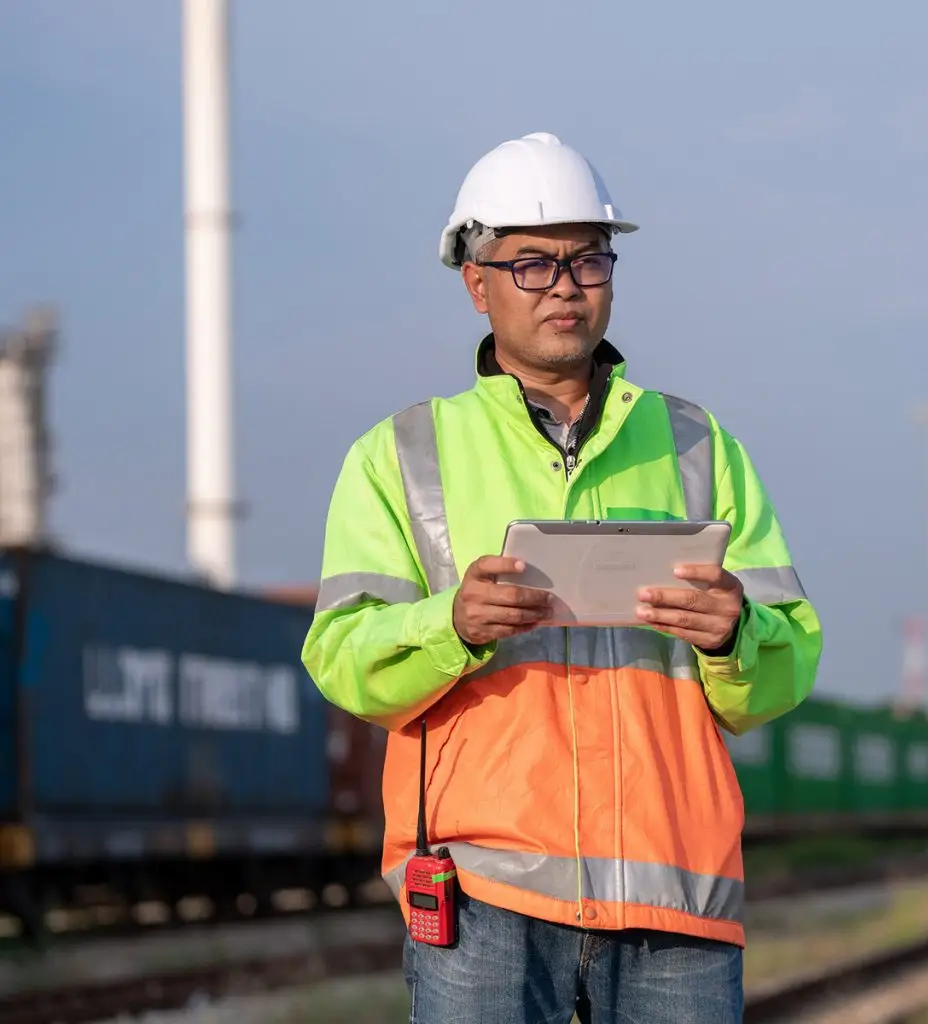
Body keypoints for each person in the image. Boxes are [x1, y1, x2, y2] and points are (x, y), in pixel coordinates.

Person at [302, 132, 823, 1024]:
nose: (568, 285)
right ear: (478, 283)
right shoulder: (400, 456)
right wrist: (452, 626)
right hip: (483, 894)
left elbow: (785, 664)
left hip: (674, 892)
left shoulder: (699, 445)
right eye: (533, 264)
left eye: (588, 259)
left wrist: (738, 634)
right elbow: (344, 657)